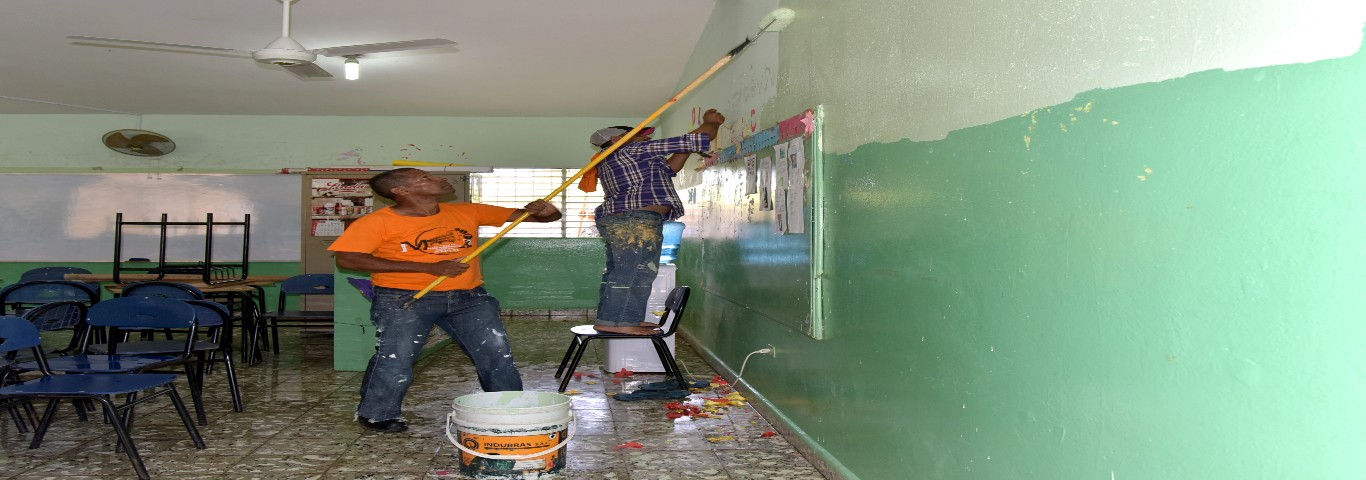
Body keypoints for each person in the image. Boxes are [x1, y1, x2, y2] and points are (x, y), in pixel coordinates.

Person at [329, 168, 562, 433]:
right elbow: (347, 258)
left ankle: (508, 407)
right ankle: (378, 414)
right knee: (396, 357)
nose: (438, 179)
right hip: (404, 298)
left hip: (469, 297)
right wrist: (427, 268)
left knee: (495, 353)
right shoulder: (378, 222)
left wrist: (545, 209)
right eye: (424, 178)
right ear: (400, 191)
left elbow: (546, 217)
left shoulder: (468, 211)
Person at [590, 109, 725, 334]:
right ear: (616, 139)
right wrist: (710, 123)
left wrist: (688, 148)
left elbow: (671, 167)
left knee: (624, 270)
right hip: (635, 220)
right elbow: (697, 139)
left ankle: (620, 318)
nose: (645, 138)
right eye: (637, 134)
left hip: (626, 219)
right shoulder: (631, 150)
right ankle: (620, 322)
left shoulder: (618, 159)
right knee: (636, 270)